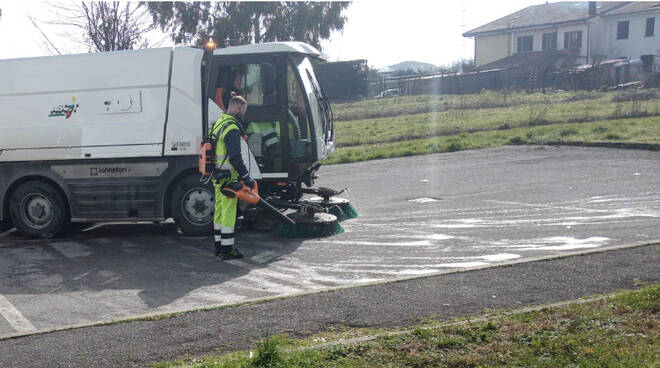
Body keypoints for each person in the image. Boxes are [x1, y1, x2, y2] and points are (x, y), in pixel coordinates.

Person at [208, 93, 255, 260]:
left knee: (219, 212)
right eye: (242, 111)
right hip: (228, 178)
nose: (243, 114)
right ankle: (228, 250)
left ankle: (219, 246)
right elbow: (235, 157)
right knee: (228, 213)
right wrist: (246, 176)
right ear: (236, 109)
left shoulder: (218, 123)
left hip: (217, 176)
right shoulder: (232, 128)